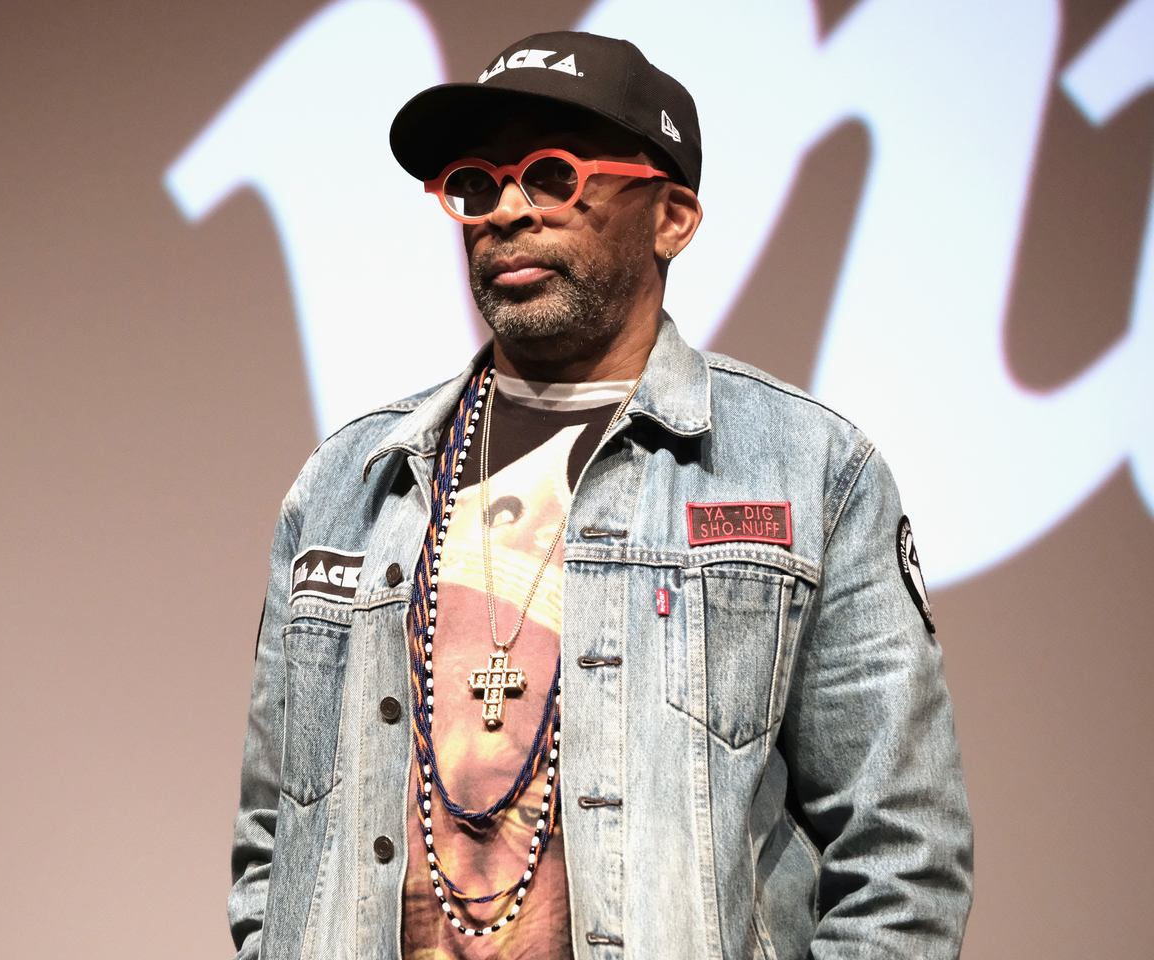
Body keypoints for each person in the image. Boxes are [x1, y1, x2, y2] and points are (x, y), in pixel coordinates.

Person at [228, 30, 972, 960]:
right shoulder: (348, 481)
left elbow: (903, 858)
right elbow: (273, 848)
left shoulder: (811, 472)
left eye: (551, 174)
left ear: (673, 217)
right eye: (476, 183)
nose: (503, 211)